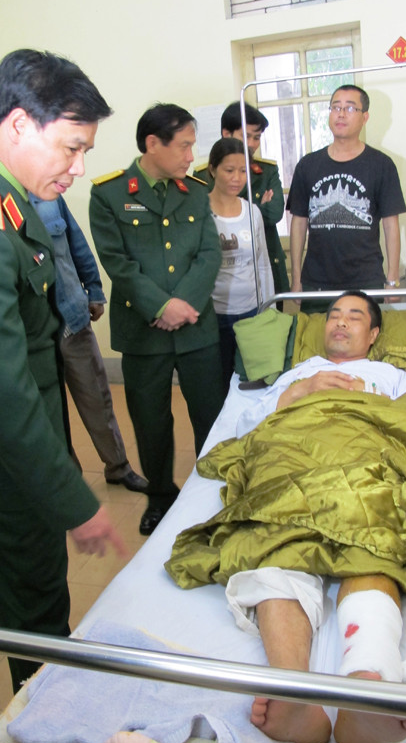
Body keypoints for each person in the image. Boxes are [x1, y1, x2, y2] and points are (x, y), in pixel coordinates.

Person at [166, 291, 406, 743]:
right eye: (334, 315)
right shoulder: (298, 373)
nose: (340, 323)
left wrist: (371, 401)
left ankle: (368, 680)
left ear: (374, 334)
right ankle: (293, 689)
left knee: (375, 539)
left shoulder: (391, 376)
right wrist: (297, 393)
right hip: (290, 456)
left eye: (354, 317)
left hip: (363, 453)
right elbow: (245, 429)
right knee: (274, 538)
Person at [0, 48, 125, 694]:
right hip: (15, 468)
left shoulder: (17, 208)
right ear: (20, 124)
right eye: (72, 148)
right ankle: (42, 721)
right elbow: (8, 391)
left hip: (30, 453)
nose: (79, 168)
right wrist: (73, 502)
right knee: (36, 606)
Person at [89, 103, 224, 536]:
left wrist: (183, 303)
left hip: (197, 328)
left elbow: (209, 254)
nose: (190, 155)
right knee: (150, 422)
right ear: (152, 143)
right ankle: (161, 497)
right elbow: (117, 262)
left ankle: (212, 496)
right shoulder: (109, 194)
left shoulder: (197, 190)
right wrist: (161, 306)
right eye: (183, 146)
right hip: (143, 332)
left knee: (210, 416)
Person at [29, 194, 149, 494]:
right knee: (49, 410)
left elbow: (76, 243)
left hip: (71, 317)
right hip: (32, 331)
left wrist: (93, 290)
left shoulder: (48, 196)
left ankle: (118, 467)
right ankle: (69, 480)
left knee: (97, 398)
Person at [287, 84, 406, 313]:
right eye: (336, 107)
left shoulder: (381, 165)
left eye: (350, 108)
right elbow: (299, 222)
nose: (341, 114)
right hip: (317, 282)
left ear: (365, 117)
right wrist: (296, 278)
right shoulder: (308, 165)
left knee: (364, 335)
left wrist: (392, 278)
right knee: (316, 336)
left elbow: (391, 224)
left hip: (365, 281)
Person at [194, 102, 288, 304]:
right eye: (246, 136)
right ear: (226, 134)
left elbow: (274, 213)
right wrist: (255, 208)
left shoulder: (267, 171)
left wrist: (252, 211)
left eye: (257, 137)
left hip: (265, 267)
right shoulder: (202, 175)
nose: (252, 144)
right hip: (219, 280)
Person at [208, 137, 274, 396]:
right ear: (212, 169)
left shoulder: (252, 212)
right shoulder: (200, 212)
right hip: (215, 315)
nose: (237, 178)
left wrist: (268, 309)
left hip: (251, 312)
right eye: (229, 170)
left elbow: (262, 263)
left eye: (243, 171)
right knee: (219, 385)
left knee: (252, 385)